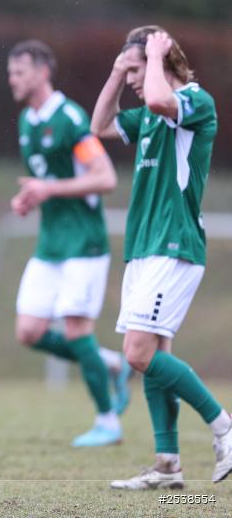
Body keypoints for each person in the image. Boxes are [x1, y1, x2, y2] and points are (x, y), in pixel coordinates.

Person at [90, 26, 232, 489]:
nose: (131, 78)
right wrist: (115, 73)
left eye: (134, 68)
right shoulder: (148, 114)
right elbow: (100, 127)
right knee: (149, 355)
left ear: (160, 59)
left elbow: (156, 99)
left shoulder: (194, 101)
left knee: (137, 351)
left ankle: (224, 426)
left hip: (174, 244)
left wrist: (151, 58)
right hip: (144, 247)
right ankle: (168, 464)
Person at [7, 40, 131, 447]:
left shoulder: (71, 119)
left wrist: (49, 188)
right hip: (51, 244)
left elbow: (105, 177)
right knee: (28, 331)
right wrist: (29, 196)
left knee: (78, 329)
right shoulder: (27, 121)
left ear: (43, 73)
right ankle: (109, 363)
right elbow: (44, 182)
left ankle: (108, 421)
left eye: (20, 72)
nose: (13, 79)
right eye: (11, 73)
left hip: (84, 243)